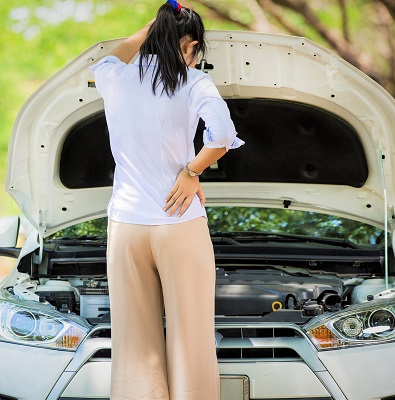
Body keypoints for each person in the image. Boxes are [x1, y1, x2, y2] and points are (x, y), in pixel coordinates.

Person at [89, 1, 244, 399]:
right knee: (190, 340)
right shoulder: (193, 83)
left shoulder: (114, 77)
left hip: (125, 226)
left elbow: (112, 55)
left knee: (135, 346)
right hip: (178, 223)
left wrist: (158, 21)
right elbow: (223, 134)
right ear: (190, 45)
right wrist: (191, 173)